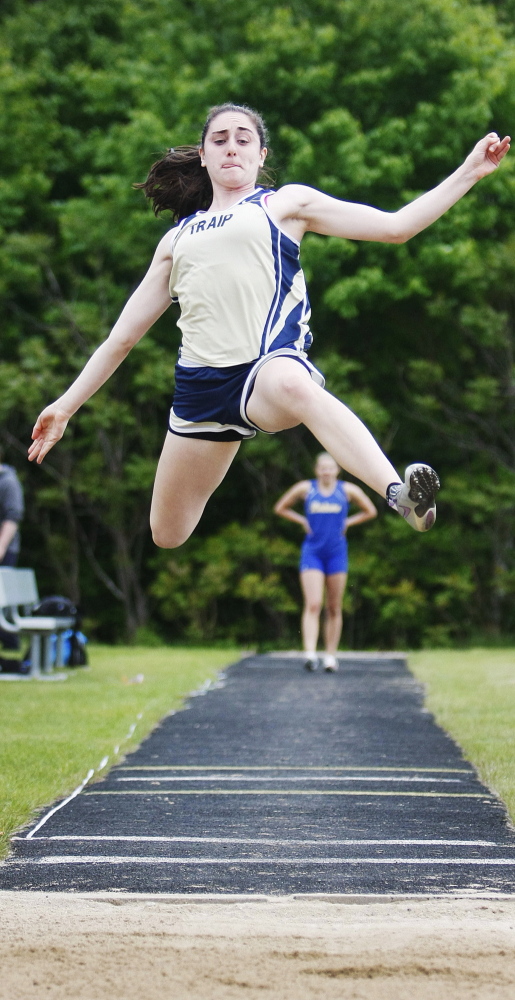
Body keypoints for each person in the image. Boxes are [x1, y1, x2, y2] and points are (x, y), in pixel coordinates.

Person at [28, 104, 510, 549]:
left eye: (243, 138)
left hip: (265, 372)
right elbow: (122, 338)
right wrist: (66, 407)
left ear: (261, 155)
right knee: (167, 534)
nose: (231, 145)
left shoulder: (283, 204)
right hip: (200, 390)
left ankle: (398, 493)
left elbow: (396, 227)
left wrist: (470, 171)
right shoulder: (176, 240)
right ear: (203, 156)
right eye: (219, 139)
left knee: (291, 383)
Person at [274, 452, 377, 671]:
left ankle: (330, 656)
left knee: (333, 606)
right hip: (312, 551)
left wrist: (348, 522)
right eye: (322, 468)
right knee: (313, 604)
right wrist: (301, 520)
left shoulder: (347, 491)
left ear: (337, 470)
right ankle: (310, 654)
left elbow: (370, 511)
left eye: (330, 468)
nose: (326, 471)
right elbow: (281, 507)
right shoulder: (306, 489)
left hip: (337, 553)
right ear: (316, 470)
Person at [0, 446, 25, 671]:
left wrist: (1, 547)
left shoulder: (7, 481)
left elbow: (12, 518)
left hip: (4, 552)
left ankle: (9, 644)